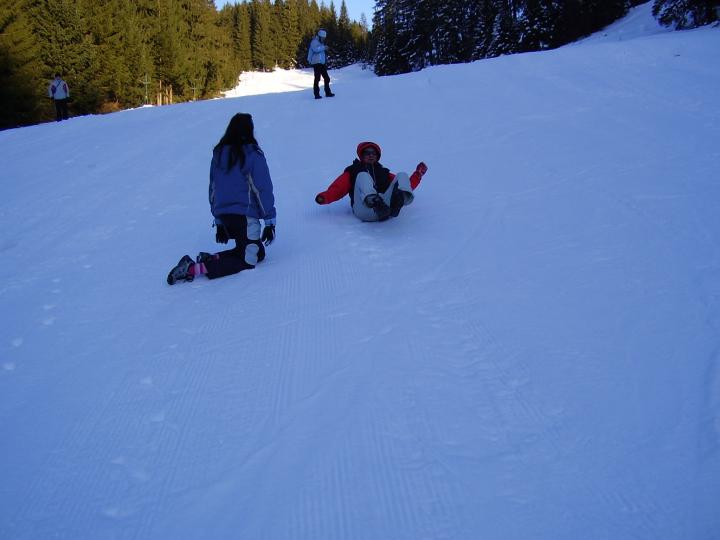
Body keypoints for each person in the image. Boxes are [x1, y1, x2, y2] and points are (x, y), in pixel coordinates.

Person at [167, 113, 277, 285]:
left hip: (226, 218)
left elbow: (213, 189)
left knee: (258, 253)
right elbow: (262, 189)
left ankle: (211, 259)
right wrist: (270, 222)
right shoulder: (252, 155)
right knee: (247, 261)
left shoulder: (219, 155)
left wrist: (219, 221)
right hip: (245, 218)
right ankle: (192, 269)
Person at [315, 142, 428, 222]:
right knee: (363, 175)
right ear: (361, 155)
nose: (371, 155)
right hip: (364, 210)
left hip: (386, 210)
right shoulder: (353, 170)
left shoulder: (383, 172)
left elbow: (404, 185)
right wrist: (324, 197)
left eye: (373, 153)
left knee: (401, 175)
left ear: (377, 156)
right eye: (367, 153)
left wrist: (418, 175)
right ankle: (374, 201)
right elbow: (338, 188)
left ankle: (398, 202)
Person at [307, 29, 334, 100]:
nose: (323, 39)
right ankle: (316, 94)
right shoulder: (314, 42)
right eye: (322, 38)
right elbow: (316, 49)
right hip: (316, 63)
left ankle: (328, 93)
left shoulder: (321, 43)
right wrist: (324, 47)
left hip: (321, 63)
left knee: (327, 78)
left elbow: (321, 53)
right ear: (319, 36)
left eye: (324, 38)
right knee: (317, 78)